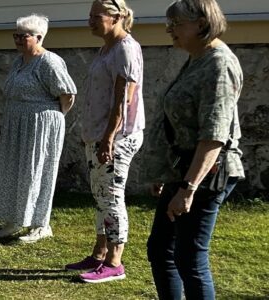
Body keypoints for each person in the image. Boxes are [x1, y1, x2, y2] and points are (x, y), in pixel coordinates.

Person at [147, 0, 243, 298]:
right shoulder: (198, 58)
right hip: (182, 168)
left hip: (206, 172)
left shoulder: (219, 63)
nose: (169, 30)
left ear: (201, 24)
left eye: (175, 24)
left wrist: (188, 189)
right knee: (162, 249)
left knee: (189, 258)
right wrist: (165, 171)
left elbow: (214, 135)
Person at [64, 0, 145, 284]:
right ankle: (99, 253)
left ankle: (114, 263)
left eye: (96, 16)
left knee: (111, 197)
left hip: (117, 137)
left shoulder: (125, 48)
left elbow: (124, 98)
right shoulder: (107, 48)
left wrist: (109, 138)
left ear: (116, 17)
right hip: (98, 135)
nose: (90, 21)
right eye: (89, 16)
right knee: (100, 196)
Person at [0, 14, 77, 243]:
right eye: (16, 35)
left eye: (24, 36)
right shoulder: (19, 62)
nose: (18, 39)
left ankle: (40, 224)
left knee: (37, 171)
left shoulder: (49, 61)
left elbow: (67, 94)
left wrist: (50, 119)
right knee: (14, 170)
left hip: (40, 125)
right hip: (17, 124)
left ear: (39, 37)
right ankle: (14, 220)